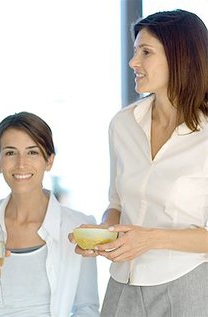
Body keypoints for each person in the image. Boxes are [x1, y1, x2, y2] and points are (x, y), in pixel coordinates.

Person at [70, 9, 208, 316]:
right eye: (135, 52)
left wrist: (151, 239)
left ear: (180, 57)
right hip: (123, 282)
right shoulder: (123, 124)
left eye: (145, 52)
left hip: (187, 284)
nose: (134, 63)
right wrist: (104, 233)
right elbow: (116, 203)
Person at [0, 112, 100, 316]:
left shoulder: (79, 227)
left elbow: (87, 308)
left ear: (49, 161)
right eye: (11, 153)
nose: (21, 164)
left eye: (32, 152)